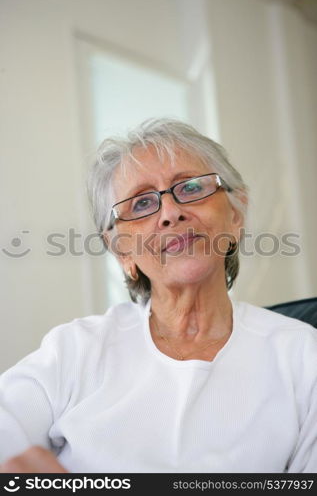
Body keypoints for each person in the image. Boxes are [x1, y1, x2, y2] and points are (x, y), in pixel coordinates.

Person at [0, 118, 316, 473]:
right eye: (141, 204)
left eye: (192, 187)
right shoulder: (72, 352)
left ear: (236, 215)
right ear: (122, 251)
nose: (170, 212)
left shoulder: (304, 356)